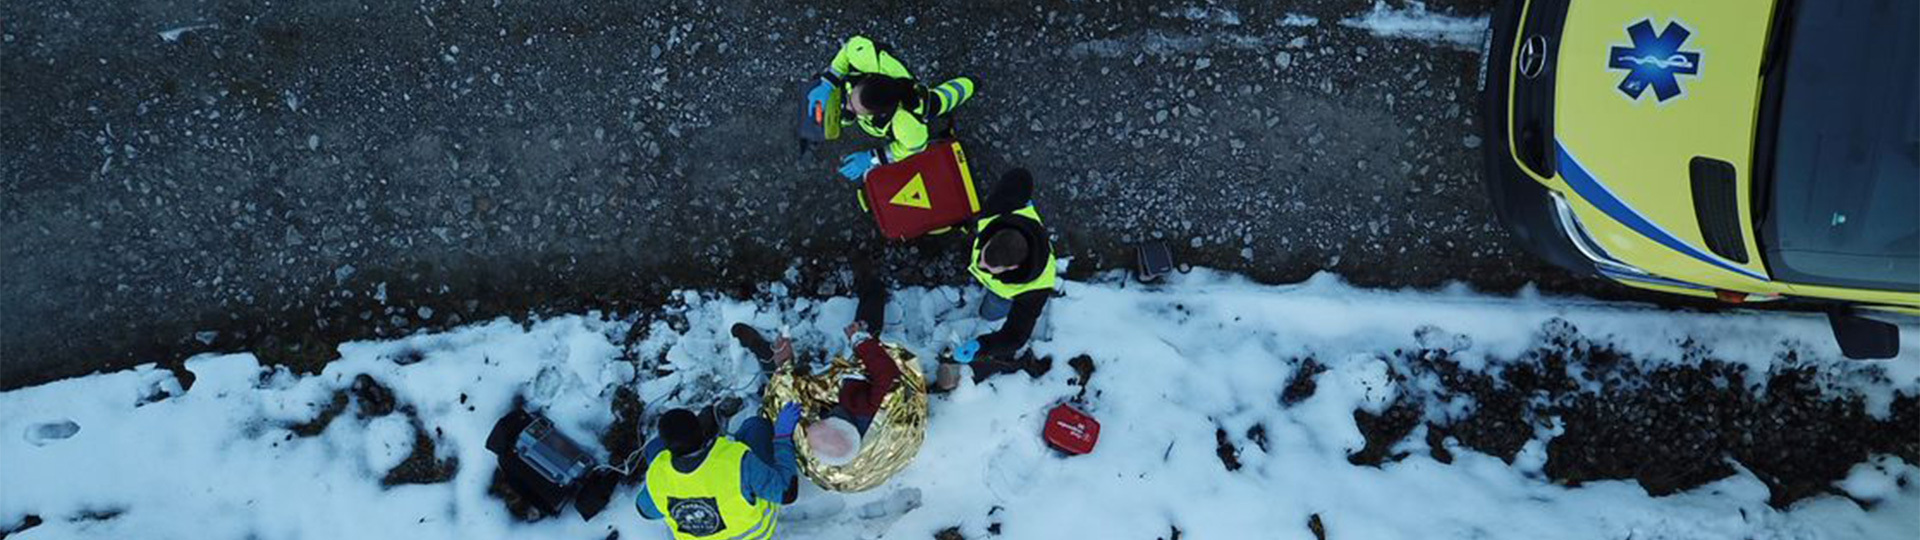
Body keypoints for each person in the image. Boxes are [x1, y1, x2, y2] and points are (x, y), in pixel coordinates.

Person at [936, 168, 1055, 392]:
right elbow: (1021, 175)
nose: (981, 265)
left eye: (990, 268)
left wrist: (982, 345)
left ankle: (988, 312)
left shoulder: (1035, 288)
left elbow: (1015, 336)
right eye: (983, 256)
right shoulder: (1000, 211)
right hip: (1003, 272)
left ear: (1013, 268)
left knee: (994, 308)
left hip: (1006, 293)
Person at [805, 35, 977, 182]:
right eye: (850, 98)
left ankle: (972, 83)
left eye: (855, 110)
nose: (846, 107)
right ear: (868, 78)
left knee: (943, 99)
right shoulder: (870, 61)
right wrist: (829, 81)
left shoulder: (906, 124)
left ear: (880, 114)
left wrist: (873, 158)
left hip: (921, 105)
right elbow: (851, 47)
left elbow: (914, 147)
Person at [636, 402, 801, 540]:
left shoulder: (658, 473)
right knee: (755, 427)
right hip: (755, 533)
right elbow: (787, 492)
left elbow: (645, 511)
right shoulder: (735, 461)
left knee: (652, 448)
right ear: (701, 431)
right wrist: (782, 438)